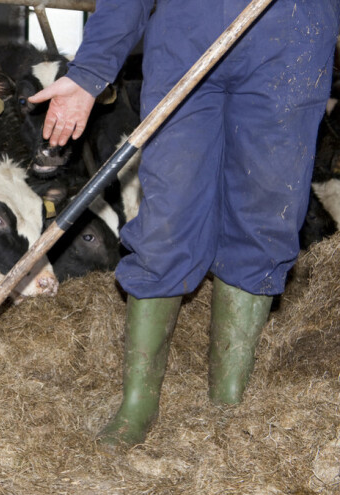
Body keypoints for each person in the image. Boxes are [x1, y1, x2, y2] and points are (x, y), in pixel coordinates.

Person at [29, 0, 340, 449]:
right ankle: (138, 403)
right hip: (187, 35)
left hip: (291, 38)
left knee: (264, 215)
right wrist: (88, 72)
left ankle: (228, 401)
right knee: (166, 219)